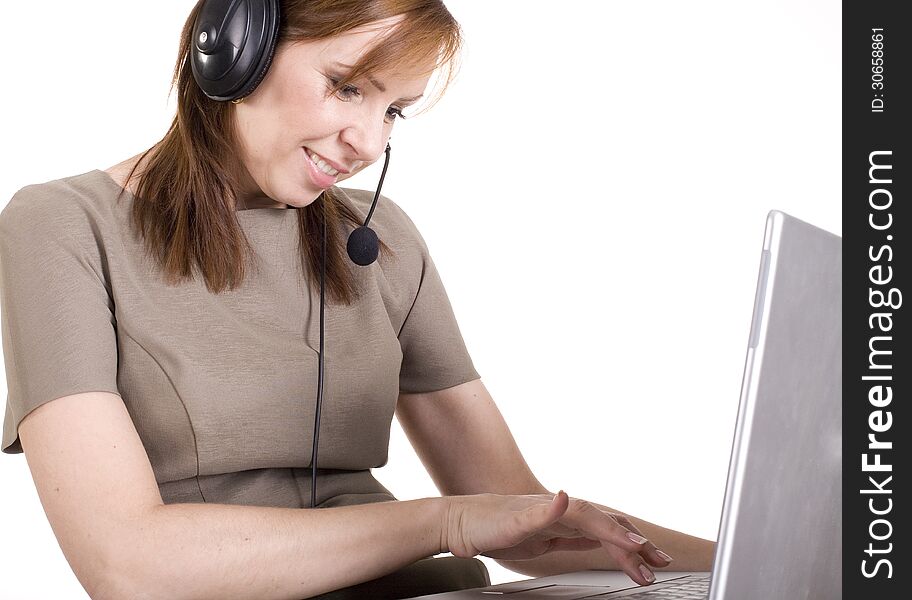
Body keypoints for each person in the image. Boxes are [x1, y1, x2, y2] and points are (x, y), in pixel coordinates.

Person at [0, 1, 715, 599]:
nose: (367, 141)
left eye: (395, 111)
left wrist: (756, 562)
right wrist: (446, 524)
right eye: (347, 87)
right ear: (236, 46)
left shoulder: (380, 238)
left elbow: (527, 524)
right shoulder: (60, 228)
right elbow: (127, 565)